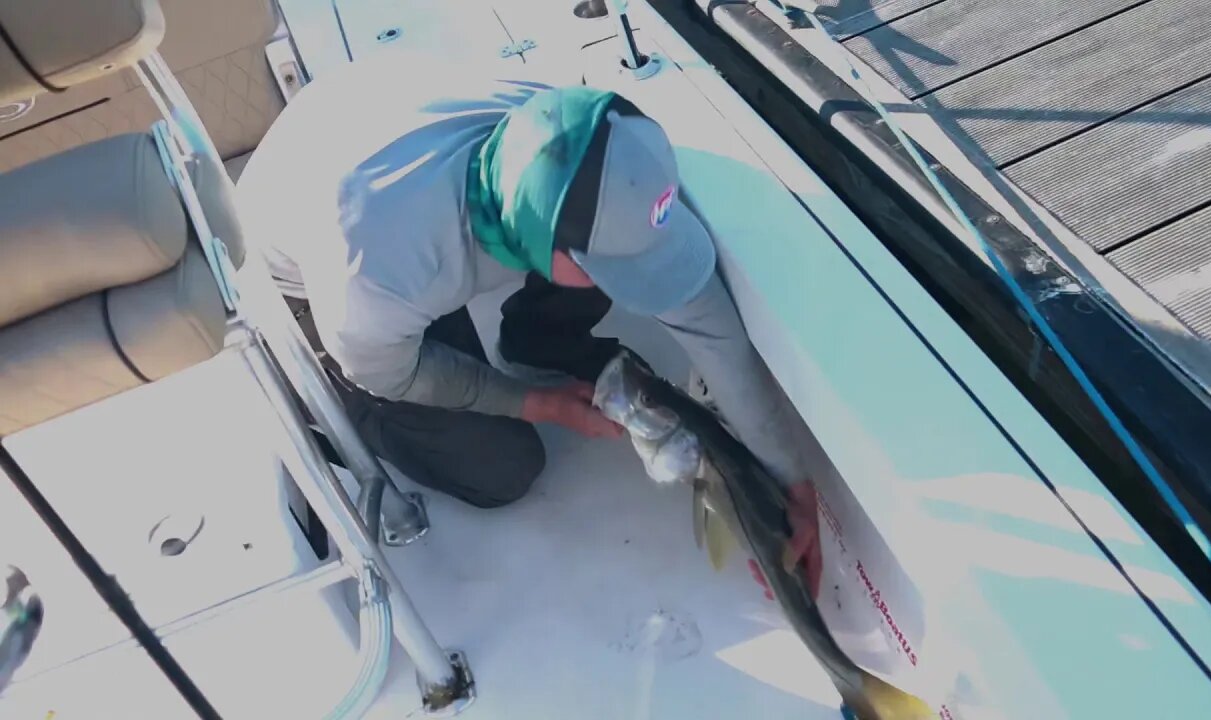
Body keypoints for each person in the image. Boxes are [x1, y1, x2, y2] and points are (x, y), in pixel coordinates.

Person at [235, 56, 821, 595]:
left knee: (593, 258)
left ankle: (534, 338)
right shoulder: (375, 271)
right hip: (309, 282)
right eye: (605, 264)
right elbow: (396, 375)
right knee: (504, 468)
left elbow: (702, 316)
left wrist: (790, 479)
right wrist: (535, 403)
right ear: (531, 242)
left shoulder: (576, 129)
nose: (626, 281)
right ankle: (320, 413)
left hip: (369, 132)